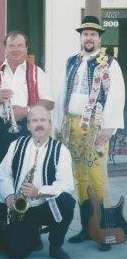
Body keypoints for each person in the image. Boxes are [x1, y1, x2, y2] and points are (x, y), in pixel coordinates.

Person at [53, 16, 125, 251]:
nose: (89, 37)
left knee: (97, 176)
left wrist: (110, 126)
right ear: (81, 37)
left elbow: (116, 94)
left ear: (99, 37)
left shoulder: (109, 62)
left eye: (93, 34)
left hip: (95, 125)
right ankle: (88, 227)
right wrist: (58, 124)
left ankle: (104, 228)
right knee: (79, 176)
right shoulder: (72, 61)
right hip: (72, 125)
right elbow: (63, 91)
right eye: (85, 34)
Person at [0, 105, 75, 259]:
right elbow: (3, 174)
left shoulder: (61, 150)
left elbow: (66, 185)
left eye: (43, 120)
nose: (39, 124)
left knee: (66, 202)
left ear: (50, 124)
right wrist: (9, 195)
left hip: (47, 206)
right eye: (34, 120)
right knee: (16, 253)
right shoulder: (16, 145)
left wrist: (39, 192)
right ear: (28, 125)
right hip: (22, 209)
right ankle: (32, 234)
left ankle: (55, 245)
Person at [0, 31, 54, 175]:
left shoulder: (37, 72)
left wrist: (27, 111)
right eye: (11, 46)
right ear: (5, 49)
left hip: (26, 128)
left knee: (23, 166)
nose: (15, 49)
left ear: (26, 48)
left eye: (20, 45)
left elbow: (49, 102)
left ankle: (20, 197)